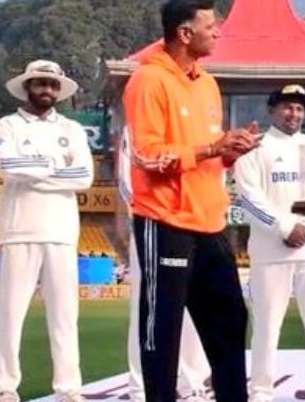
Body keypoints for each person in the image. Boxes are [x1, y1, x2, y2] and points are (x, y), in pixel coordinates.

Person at [123, 0, 262, 402]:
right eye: (210, 25)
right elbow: (148, 155)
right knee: (162, 330)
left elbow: (206, 153)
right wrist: (212, 149)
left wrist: (230, 152)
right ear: (185, 33)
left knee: (230, 320)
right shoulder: (148, 81)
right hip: (164, 221)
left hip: (211, 222)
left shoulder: (207, 83)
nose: (217, 31)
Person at [0, 60, 95, 402]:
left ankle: (69, 388)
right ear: (27, 86)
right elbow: (8, 167)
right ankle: (5, 387)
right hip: (19, 230)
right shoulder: (7, 126)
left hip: (62, 232)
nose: (46, 90)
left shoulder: (73, 129)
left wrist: (36, 168)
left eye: (52, 84)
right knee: (9, 316)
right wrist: (55, 168)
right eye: (40, 84)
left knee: (65, 317)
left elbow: (84, 178)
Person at [231, 84, 305, 402]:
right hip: (271, 252)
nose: (294, 114)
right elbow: (248, 198)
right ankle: (262, 391)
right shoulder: (255, 148)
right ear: (272, 110)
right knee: (266, 325)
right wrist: (284, 227)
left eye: (299, 108)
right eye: (287, 107)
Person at [118, 126, 214, 402]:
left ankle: (193, 383)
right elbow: (128, 181)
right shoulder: (138, 124)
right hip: (154, 224)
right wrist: (158, 211)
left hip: (196, 225)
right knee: (148, 308)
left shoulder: (199, 118)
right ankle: (141, 386)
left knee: (195, 307)